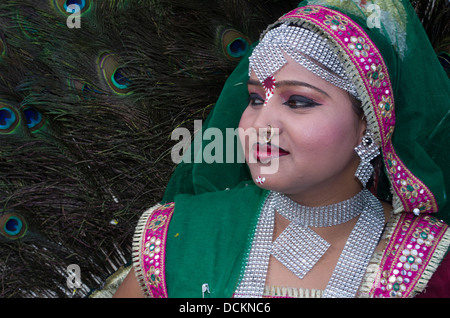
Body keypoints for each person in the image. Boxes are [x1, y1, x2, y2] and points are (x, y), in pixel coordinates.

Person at [114, 0, 450, 298]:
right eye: (255, 99)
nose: (261, 124)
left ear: (369, 123)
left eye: (299, 102)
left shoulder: (427, 264)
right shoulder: (184, 235)